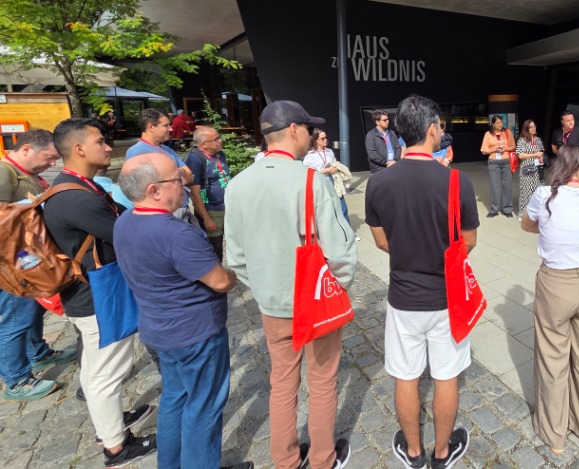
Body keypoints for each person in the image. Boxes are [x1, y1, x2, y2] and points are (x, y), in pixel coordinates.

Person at [225, 101, 355, 469]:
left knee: (282, 383)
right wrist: (338, 288)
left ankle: (284, 461)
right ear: (295, 130)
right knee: (323, 381)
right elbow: (341, 252)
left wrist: (265, 287)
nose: (313, 136)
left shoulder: (237, 185)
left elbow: (234, 258)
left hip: (271, 304)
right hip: (313, 303)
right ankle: (322, 459)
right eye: (310, 129)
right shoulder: (311, 180)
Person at [115, 153, 251, 469]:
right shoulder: (177, 234)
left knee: (175, 400)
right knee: (203, 407)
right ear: (153, 190)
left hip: (158, 330)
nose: (185, 185)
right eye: (177, 180)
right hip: (196, 334)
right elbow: (219, 281)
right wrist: (233, 273)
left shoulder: (125, 221)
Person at [365, 94, 477, 469]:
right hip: (447, 299)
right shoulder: (457, 182)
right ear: (432, 129)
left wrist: (408, 250)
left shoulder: (378, 183)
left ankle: (413, 452)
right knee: (446, 376)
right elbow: (469, 242)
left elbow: (381, 241)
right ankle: (442, 453)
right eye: (441, 126)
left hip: (402, 297)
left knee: (406, 376)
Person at [45, 118, 157, 467]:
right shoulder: (75, 197)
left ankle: (110, 424)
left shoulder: (79, 187)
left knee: (99, 369)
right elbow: (129, 230)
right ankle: (116, 445)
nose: (109, 147)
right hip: (96, 297)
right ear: (78, 149)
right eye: (100, 141)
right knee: (107, 371)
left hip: (95, 291)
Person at [521, 144, 579, 453]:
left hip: (555, 282)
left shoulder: (545, 196)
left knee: (552, 358)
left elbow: (526, 224)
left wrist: (547, 227)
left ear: (560, 169)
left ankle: (554, 434)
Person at [0, 129, 78, 401]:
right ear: (27, 149)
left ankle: (39, 353)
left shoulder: (26, 174)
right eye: (47, 157)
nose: (51, 164)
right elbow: (3, 224)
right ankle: (17, 379)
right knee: (14, 319)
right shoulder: (4, 172)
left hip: (25, 257)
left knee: (31, 311)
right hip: (15, 263)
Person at [125, 108, 196, 222]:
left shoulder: (167, 149)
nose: (171, 128)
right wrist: (178, 175)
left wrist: (173, 176)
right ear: (151, 127)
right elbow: (142, 189)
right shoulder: (137, 152)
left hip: (182, 210)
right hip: (163, 215)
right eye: (166, 125)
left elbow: (190, 175)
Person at [185, 126, 230, 261]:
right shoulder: (195, 159)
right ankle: (216, 278)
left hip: (227, 207)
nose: (220, 141)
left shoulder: (220, 154)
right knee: (214, 248)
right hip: (212, 210)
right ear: (203, 144)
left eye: (219, 137)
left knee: (233, 243)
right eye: (215, 139)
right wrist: (206, 218)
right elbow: (194, 193)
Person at [304, 128, 348, 222]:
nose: (326, 140)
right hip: (320, 184)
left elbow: (334, 163)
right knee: (325, 209)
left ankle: (347, 231)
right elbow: (308, 172)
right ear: (315, 140)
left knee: (342, 206)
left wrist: (336, 167)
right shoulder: (310, 155)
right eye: (322, 138)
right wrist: (326, 170)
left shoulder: (329, 152)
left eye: (326, 137)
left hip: (333, 181)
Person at [480, 115, 515, 218]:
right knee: (494, 186)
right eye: (498, 123)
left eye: (501, 122)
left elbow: (513, 146)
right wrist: (495, 150)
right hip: (493, 162)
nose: (500, 124)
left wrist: (505, 149)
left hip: (506, 161)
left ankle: (508, 209)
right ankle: (494, 209)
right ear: (493, 124)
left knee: (507, 185)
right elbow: (484, 150)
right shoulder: (488, 134)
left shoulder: (507, 132)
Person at [514, 119, 545, 223]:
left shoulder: (538, 140)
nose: (533, 128)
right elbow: (520, 155)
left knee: (538, 191)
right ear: (526, 128)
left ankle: (537, 214)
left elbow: (541, 152)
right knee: (526, 192)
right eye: (531, 127)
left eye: (534, 126)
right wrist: (534, 155)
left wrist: (541, 157)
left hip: (537, 169)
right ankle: (522, 214)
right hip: (527, 169)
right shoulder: (522, 140)